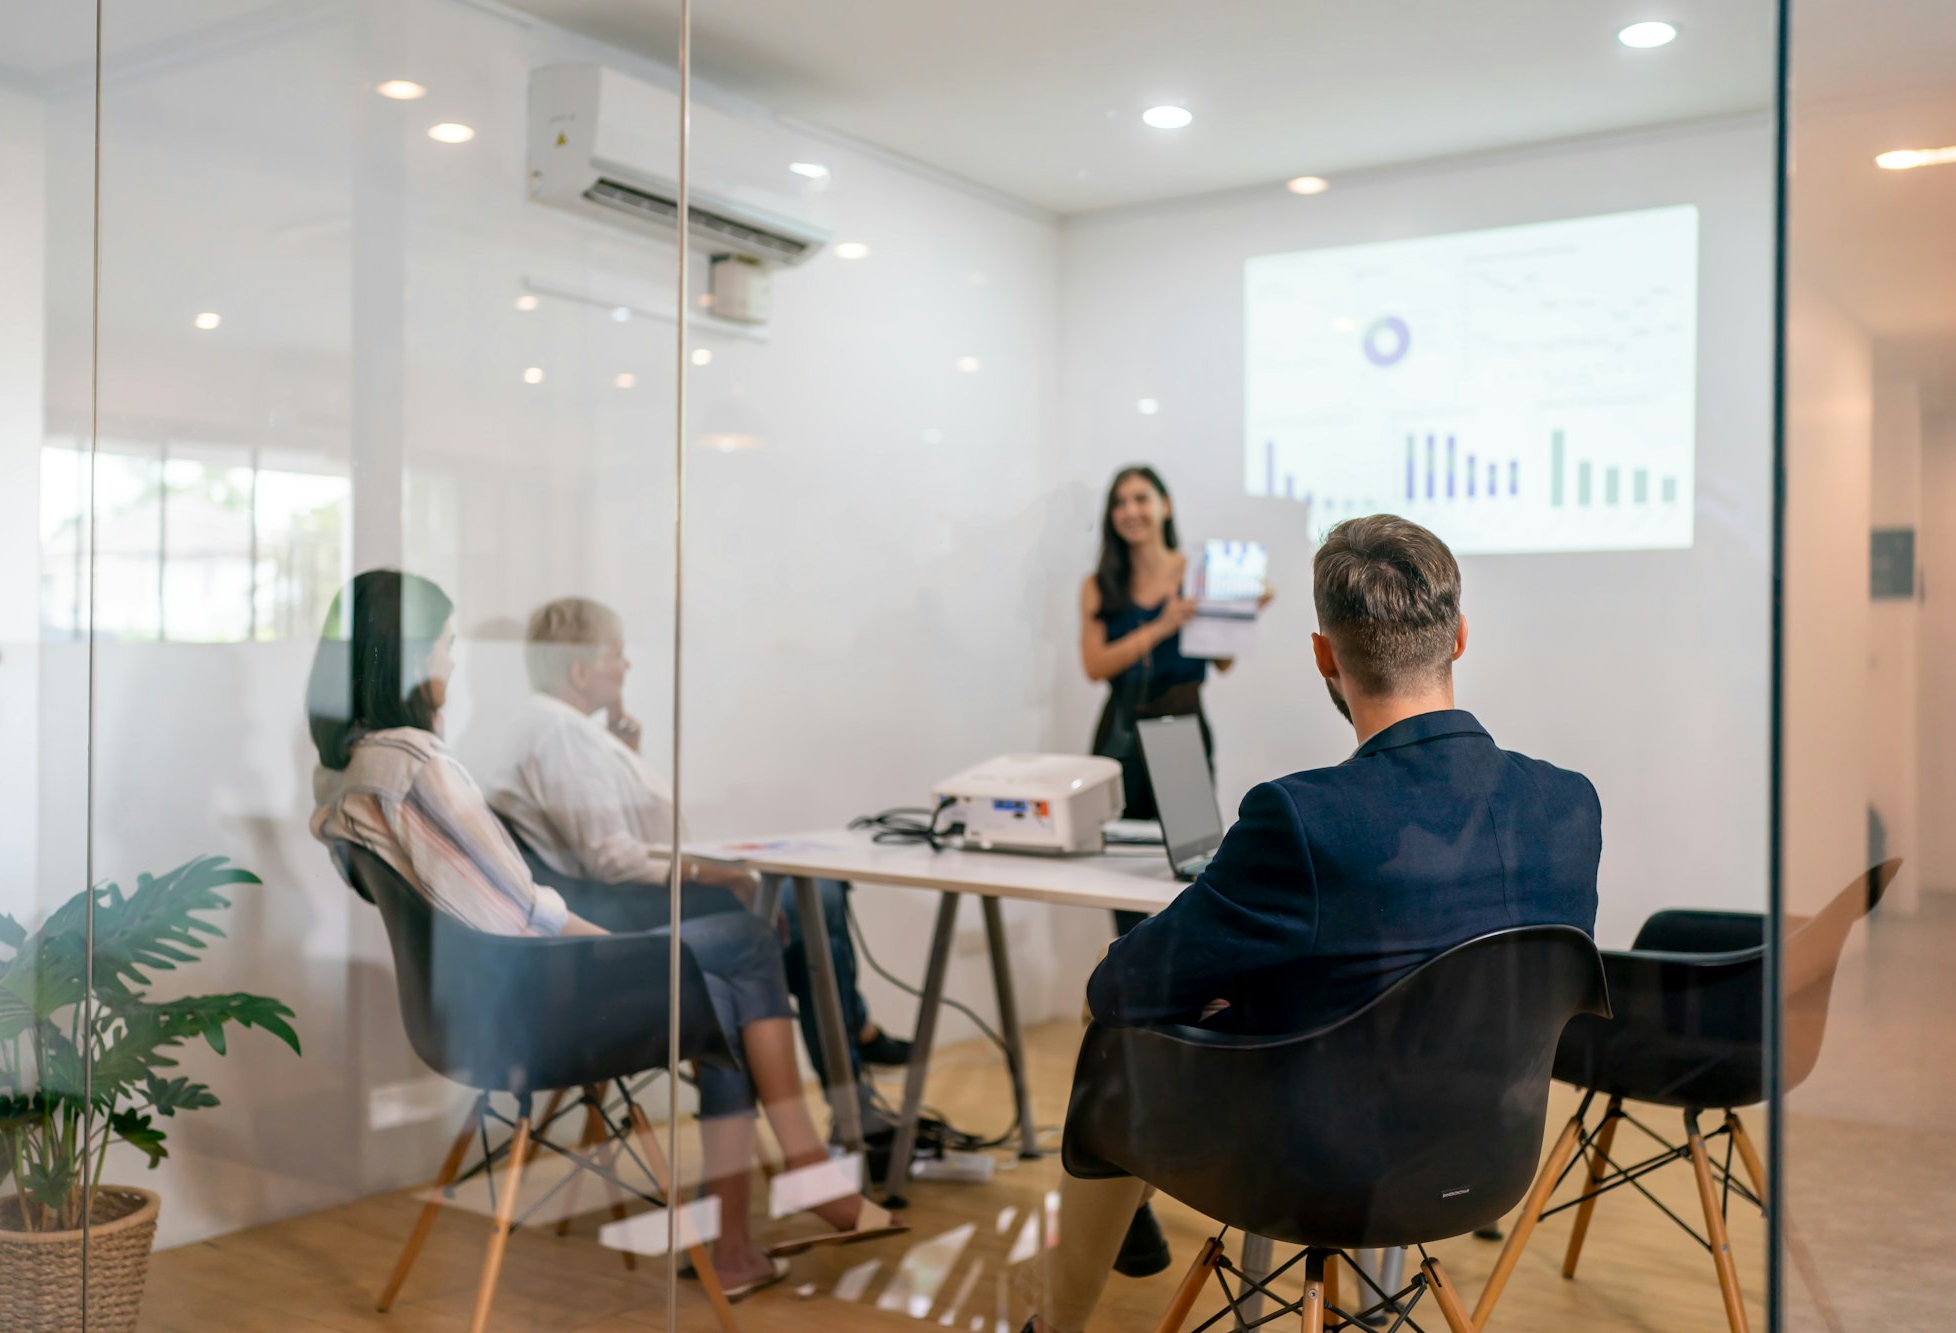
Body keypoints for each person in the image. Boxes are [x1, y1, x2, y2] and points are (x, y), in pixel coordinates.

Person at [1023, 515, 1601, 1333]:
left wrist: (1241, 1004)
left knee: (1114, 1035)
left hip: (1314, 1165)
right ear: (1460, 637)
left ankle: (1056, 1322)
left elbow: (1121, 987)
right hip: (1488, 1153)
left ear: (1325, 655)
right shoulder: (1569, 804)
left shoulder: (1301, 815)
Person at [306, 571, 903, 1301]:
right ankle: (805, 1173)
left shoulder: (348, 771)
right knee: (745, 944)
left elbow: (481, 899)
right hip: (530, 1000)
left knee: (719, 983)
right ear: (408, 656)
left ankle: (747, 1238)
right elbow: (526, 906)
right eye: (446, 647)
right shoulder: (418, 762)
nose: (453, 664)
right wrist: (628, 951)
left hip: (469, 1008)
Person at [484, 596, 913, 1080]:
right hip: (623, 914)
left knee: (817, 927)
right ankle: (854, 1075)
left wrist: (623, 755)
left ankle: (855, 1076)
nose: (626, 667)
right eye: (617, 655)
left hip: (616, 902)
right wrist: (717, 874)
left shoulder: (552, 729)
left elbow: (606, 836)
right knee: (820, 904)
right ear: (580, 672)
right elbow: (611, 859)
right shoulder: (561, 735)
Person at [1077, 464, 1272, 1273]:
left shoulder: (1198, 568)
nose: (1130, 511)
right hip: (1122, 738)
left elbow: (1218, 663)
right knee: (1127, 925)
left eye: (1141, 497)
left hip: (1184, 740)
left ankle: (1176, 1099)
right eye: (1119, 500)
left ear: (1162, 505)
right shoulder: (1104, 581)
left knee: (1189, 904)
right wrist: (1168, 618)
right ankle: (1133, 1105)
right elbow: (1098, 662)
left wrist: (1229, 614)